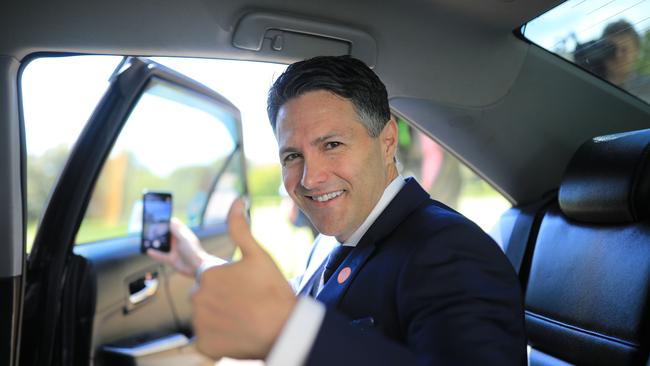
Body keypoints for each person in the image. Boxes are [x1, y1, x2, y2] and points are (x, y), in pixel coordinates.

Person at [148, 55, 526, 365]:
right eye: (293, 156)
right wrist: (197, 260)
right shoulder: (327, 247)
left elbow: (287, 322)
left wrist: (290, 333)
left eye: (331, 145)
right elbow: (275, 304)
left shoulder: (452, 253)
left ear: (388, 140)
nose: (310, 179)